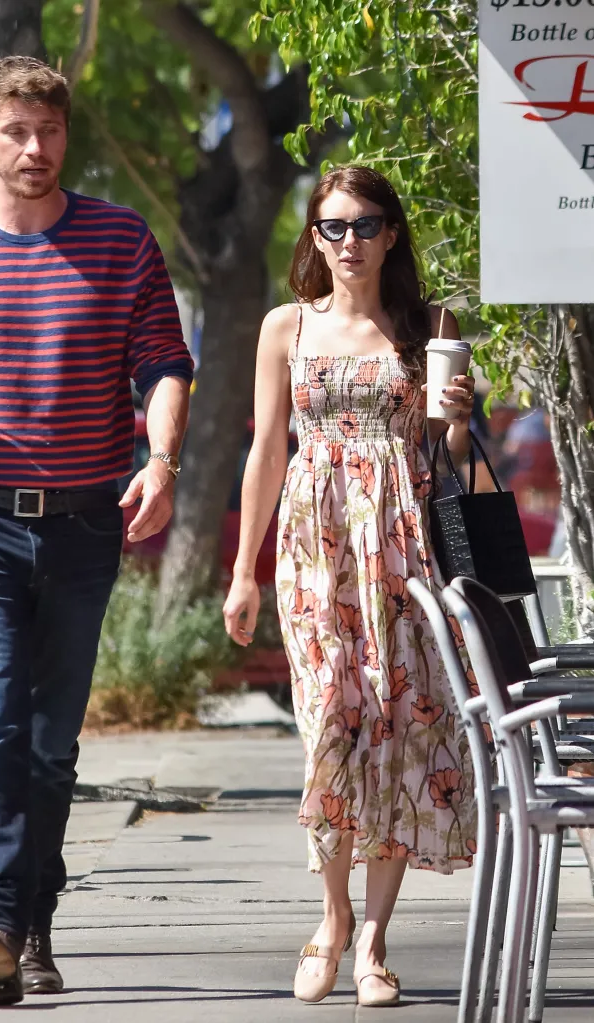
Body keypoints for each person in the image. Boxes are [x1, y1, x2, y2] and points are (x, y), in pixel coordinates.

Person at [0, 57, 192, 1005]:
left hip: (86, 517)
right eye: (14, 132)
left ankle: (34, 920)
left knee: (52, 740)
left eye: (48, 132)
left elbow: (164, 367)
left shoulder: (120, 239)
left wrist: (162, 460)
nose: (33, 149)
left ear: (66, 136)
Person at [224, 166, 476, 1008]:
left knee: (397, 728)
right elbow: (265, 452)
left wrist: (459, 418)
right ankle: (329, 919)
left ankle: (372, 941)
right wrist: (243, 573)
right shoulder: (284, 327)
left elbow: (457, 462)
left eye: (365, 225)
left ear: (391, 234)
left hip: (401, 550)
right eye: (331, 227)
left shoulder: (427, 325)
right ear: (313, 237)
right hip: (314, 546)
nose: (348, 242)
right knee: (332, 714)